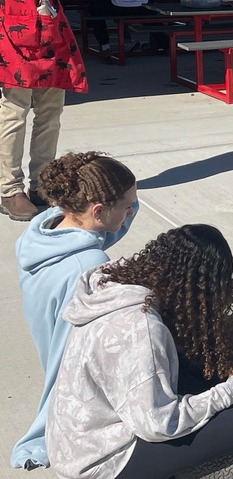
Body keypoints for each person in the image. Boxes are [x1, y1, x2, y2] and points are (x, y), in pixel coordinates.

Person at [46, 224, 233, 479]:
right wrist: (230, 392)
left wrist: (214, 314)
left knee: (205, 378)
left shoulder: (115, 283)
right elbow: (157, 424)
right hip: (99, 462)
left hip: (74, 438)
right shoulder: (143, 329)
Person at [0, 0, 124, 222]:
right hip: (9, 31)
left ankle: (43, 185)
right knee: (14, 113)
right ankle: (9, 189)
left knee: (51, 112)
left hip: (50, 29)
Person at [12, 152, 138, 470]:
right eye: (127, 207)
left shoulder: (44, 230)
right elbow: (71, 359)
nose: (131, 212)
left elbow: (102, 226)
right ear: (98, 210)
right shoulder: (89, 265)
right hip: (71, 369)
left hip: (47, 336)